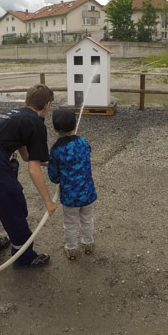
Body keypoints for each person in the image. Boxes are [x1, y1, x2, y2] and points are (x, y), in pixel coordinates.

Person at [0, 84, 57, 267]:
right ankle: (23, 257)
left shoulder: (12, 113)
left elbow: (26, 156)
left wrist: (46, 161)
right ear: (47, 105)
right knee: (12, 205)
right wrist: (48, 200)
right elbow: (33, 169)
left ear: (25, 102)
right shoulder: (36, 124)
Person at [48, 108, 97, 260]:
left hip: (70, 198)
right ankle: (88, 244)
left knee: (70, 224)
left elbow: (54, 177)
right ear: (75, 126)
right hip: (88, 194)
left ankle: (71, 249)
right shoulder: (83, 142)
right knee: (87, 220)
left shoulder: (56, 150)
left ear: (54, 129)